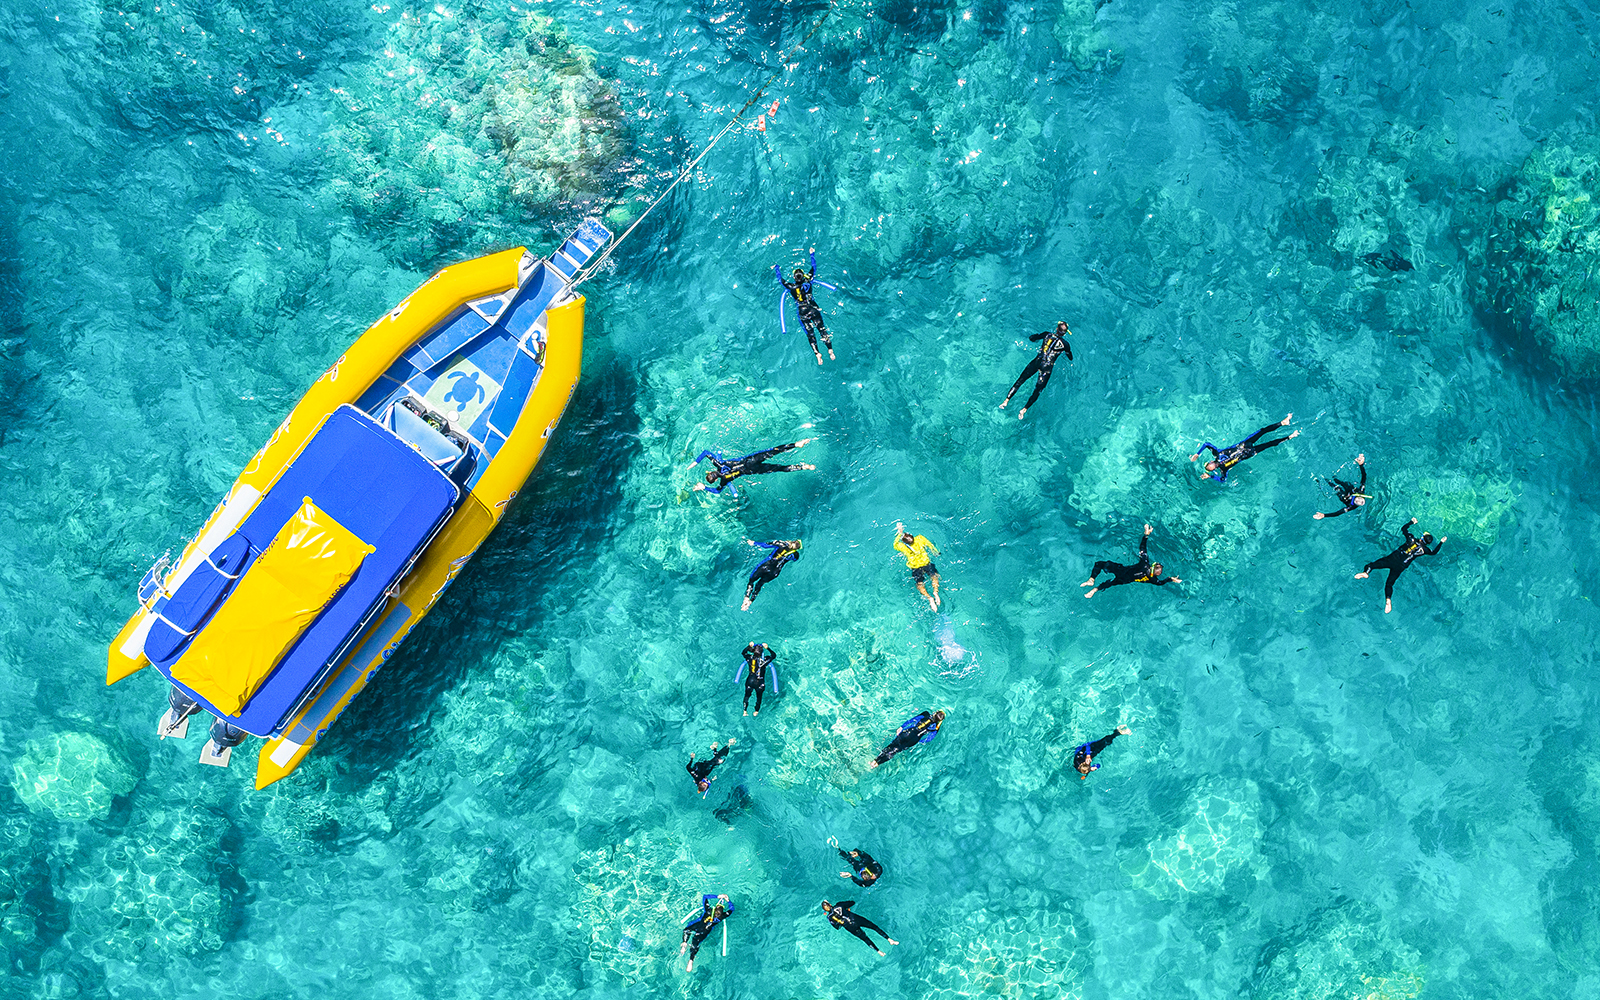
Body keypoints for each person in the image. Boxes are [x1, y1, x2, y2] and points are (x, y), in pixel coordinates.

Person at [1354, 517, 1445, 614]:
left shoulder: (1411, 539)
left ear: (1422, 537)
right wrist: (1441, 542)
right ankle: (1388, 599)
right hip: (1401, 566)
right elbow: (1434, 552)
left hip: (1393, 558)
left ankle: (1365, 573)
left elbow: (1404, 529)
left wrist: (1411, 522)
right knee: (1389, 584)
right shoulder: (1425, 550)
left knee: (1371, 565)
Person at [1190, 413, 1298, 482]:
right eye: (1210, 469)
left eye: (1209, 465)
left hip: (1245, 444)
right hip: (1249, 453)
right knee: (1269, 444)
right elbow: (1223, 480)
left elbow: (1207, 444)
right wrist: (1211, 477)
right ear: (1213, 469)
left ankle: (1283, 423)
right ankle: (1290, 437)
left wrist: (1197, 454)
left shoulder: (1217, 454)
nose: (1211, 467)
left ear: (1210, 462)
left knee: (1262, 431)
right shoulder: (1224, 469)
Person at [1081, 524, 1181, 598]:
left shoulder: (1145, 564)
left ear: (1152, 566)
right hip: (1125, 580)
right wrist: (1170, 579)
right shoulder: (1153, 579)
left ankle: (1091, 579)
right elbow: (1160, 583)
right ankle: (1094, 590)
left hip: (1122, 570)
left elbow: (1142, 548)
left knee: (1100, 564)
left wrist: (1146, 535)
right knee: (1111, 583)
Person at [999, 320, 1073, 420]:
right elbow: (1070, 357)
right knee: (1038, 390)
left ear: (1056, 329)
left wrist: (1035, 338)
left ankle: (1006, 400)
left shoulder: (1047, 335)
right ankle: (1024, 409)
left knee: (1020, 381)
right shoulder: (1065, 344)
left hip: (1037, 361)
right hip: (1046, 367)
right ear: (1064, 333)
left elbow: (1032, 338)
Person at [693, 439, 817, 497]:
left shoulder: (724, 480)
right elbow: (706, 452)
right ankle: (796, 444)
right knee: (773, 451)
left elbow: (718, 491)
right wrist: (694, 463)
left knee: (779, 468)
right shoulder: (719, 464)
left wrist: (704, 488)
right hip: (751, 460)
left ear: (715, 479)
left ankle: (804, 467)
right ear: (713, 472)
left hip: (752, 470)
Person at [776, 250, 835, 364]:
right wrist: (812, 254)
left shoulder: (791, 287)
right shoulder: (808, 280)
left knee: (810, 333)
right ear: (803, 276)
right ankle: (830, 349)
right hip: (813, 307)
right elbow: (814, 268)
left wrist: (777, 268)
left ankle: (817, 354)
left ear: (794, 277)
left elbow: (780, 280)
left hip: (802, 311)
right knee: (822, 329)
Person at [868, 709, 945, 769]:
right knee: (895, 751)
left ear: (935, 713)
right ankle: (877, 764)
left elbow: (913, 719)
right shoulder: (935, 728)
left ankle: (875, 760)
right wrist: (919, 741)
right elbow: (929, 739)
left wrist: (902, 727)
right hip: (914, 740)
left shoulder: (926, 714)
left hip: (907, 733)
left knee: (891, 746)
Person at [893, 521, 941, 611]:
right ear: (912, 537)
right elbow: (931, 546)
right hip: (926, 563)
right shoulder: (920, 538)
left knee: (919, 584)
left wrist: (899, 533)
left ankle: (929, 598)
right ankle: (935, 592)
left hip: (915, 567)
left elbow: (895, 544)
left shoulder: (902, 547)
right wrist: (936, 552)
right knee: (934, 576)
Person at [742, 539, 802, 610]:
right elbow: (795, 559)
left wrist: (753, 543)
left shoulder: (781, 543)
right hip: (774, 573)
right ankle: (750, 601)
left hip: (765, 566)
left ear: (793, 541)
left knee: (751, 581)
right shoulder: (795, 555)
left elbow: (765, 545)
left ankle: (746, 597)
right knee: (760, 584)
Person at [820, 900, 898, 954]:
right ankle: (890, 940)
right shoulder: (839, 905)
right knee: (874, 927)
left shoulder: (829, 917)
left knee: (865, 938)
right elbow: (852, 902)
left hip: (850, 927)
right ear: (830, 904)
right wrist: (846, 909)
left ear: (825, 911)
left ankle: (879, 952)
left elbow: (837, 927)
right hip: (856, 919)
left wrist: (840, 921)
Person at [680, 893, 734, 972]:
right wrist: (728, 901)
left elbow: (705, 897)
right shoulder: (722, 917)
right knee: (696, 943)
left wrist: (717, 896)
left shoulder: (708, 910)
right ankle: (691, 960)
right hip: (704, 932)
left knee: (687, 930)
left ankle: (684, 943)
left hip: (698, 926)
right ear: (721, 912)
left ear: (714, 909)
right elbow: (732, 909)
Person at [1313, 454, 1369, 519]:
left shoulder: (1350, 506)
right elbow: (1364, 477)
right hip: (1350, 490)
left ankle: (1319, 481)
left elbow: (1337, 513)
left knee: (1337, 488)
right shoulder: (1361, 491)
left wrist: (1324, 515)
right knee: (1344, 483)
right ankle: (1334, 478)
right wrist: (1361, 465)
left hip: (1345, 497)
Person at [741, 642, 776, 716]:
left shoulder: (750, 658)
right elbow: (773, 655)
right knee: (758, 698)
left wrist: (748, 646)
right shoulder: (765, 660)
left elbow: (743, 653)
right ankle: (756, 711)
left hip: (750, 681)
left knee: (746, 696)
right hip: (760, 683)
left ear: (753, 651)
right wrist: (768, 648)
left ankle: (745, 711)